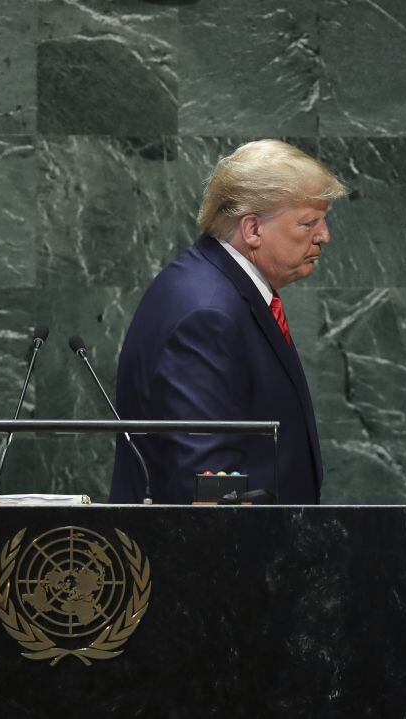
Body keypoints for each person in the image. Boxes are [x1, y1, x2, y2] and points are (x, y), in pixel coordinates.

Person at [109, 139, 346, 504]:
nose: (324, 236)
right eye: (308, 222)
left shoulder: (211, 284)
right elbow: (208, 486)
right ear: (252, 229)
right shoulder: (208, 315)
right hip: (227, 555)